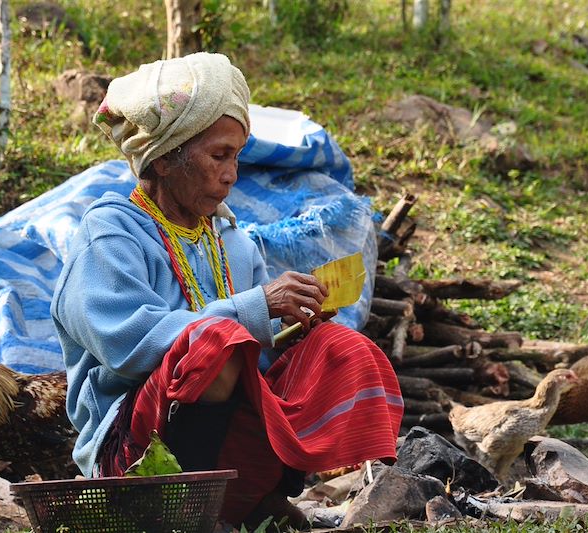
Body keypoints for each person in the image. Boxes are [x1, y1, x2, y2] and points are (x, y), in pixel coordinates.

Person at [51, 52, 404, 528]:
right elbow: (126, 344)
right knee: (216, 349)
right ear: (166, 157)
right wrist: (255, 310)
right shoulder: (111, 234)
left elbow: (254, 358)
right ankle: (189, 512)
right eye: (219, 155)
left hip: (224, 437)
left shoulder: (231, 242)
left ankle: (255, 494)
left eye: (237, 156)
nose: (232, 173)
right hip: (134, 455)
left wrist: (290, 334)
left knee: (337, 346)